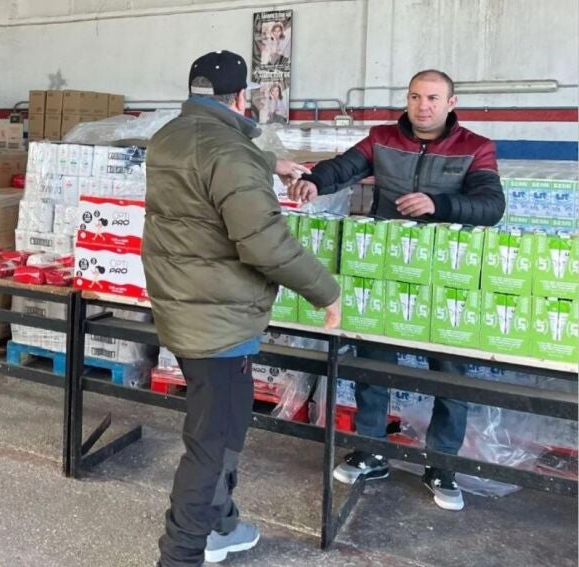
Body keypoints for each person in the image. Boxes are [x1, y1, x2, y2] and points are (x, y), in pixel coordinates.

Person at [144, 50, 342, 566]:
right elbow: (266, 246)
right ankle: (182, 554)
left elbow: (211, 161)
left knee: (218, 428)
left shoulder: (169, 137)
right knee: (214, 443)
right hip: (220, 324)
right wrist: (327, 291)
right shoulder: (230, 153)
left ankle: (222, 524)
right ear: (241, 99)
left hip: (183, 307)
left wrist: (268, 162)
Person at [288, 69, 505, 512]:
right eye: (415, 97)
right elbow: (344, 166)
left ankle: (441, 465)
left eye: (433, 98)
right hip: (385, 270)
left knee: (450, 373)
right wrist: (315, 179)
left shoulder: (475, 147)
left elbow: (491, 206)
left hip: (448, 277)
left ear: (450, 103)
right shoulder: (382, 138)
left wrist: (438, 204)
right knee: (373, 362)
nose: (423, 106)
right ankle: (371, 451)